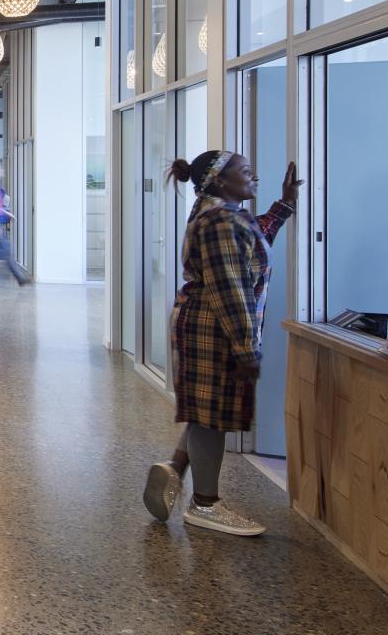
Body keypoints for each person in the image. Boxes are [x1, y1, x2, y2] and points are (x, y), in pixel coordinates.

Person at [142, 150, 300, 537]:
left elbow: (254, 241)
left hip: (207, 322)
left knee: (206, 408)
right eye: (244, 171)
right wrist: (246, 348)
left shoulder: (221, 213)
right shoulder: (220, 221)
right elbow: (231, 286)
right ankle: (204, 505)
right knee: (212, 415)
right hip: (214, 326)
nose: (254, 176)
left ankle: (176, 470)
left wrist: (284, 205)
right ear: (219, 180)